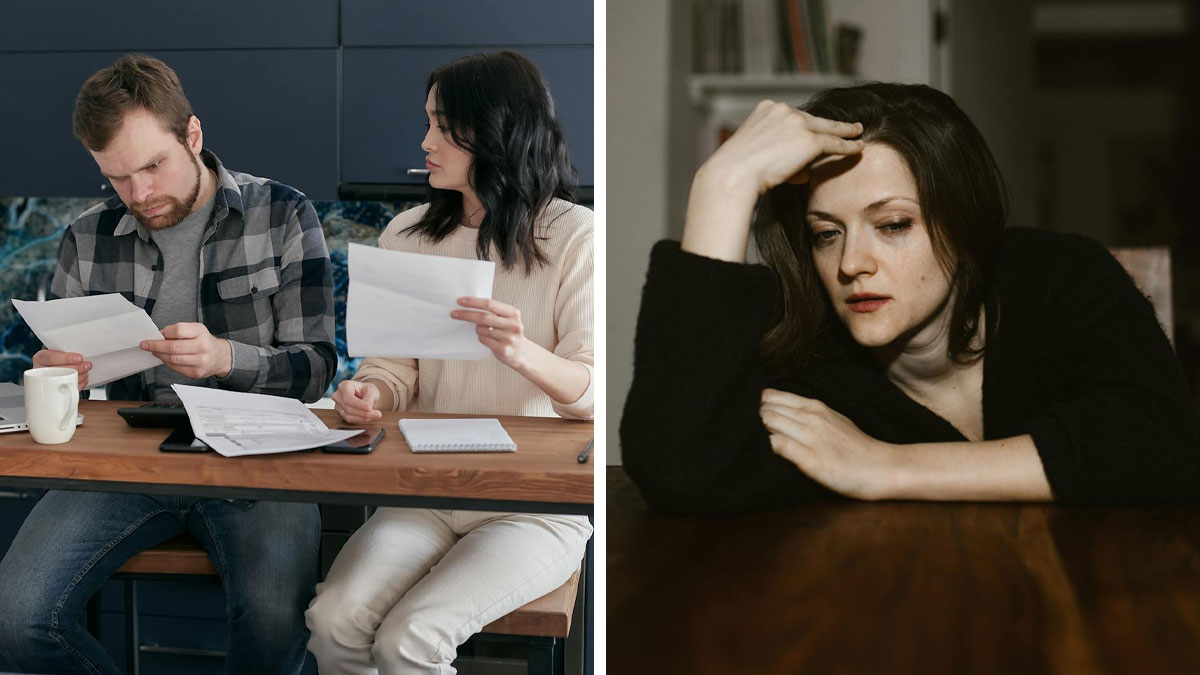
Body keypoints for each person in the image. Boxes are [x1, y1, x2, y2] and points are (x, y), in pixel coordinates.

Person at [621, 82, 1200, 515]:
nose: (851, 264)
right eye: (826, 233)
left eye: (893, 224)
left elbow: (1163, 443)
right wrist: (723, 187)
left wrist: (885, 466)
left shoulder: (1060, 276)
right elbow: (679, 471)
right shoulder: (808, 358)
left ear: (965, 223)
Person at [0, 54, 335, 673]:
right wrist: (56, 369)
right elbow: (56, 362)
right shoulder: (87, 235)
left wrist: (224, 358)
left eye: (152, 165)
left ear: (194, 136)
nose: (140, 194)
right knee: (14, 617)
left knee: (273, 623)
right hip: (127, 462)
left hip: (259, 461)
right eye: (117, 178)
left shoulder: (284, 214)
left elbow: (317, 368)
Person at [304, 51, 593, 674]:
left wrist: (520, 352)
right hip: (426, 488)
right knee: (333, 621)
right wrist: (368, 394)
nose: (425, 141)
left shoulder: (576, 237)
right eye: (428, 123)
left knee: (410, 638)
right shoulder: (409, 233)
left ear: (493, 131)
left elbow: (594, 392)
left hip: (533, 505)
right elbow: (393, 369)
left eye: (441, 125)